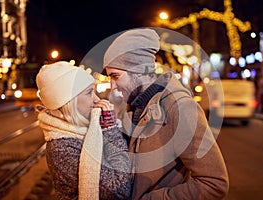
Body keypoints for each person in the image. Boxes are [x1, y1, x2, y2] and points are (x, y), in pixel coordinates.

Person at [102, 28, 229, 199]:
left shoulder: (179, 107)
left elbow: (214, 183)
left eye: (115, 76)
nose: (112, 86)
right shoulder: (134, 106)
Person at [35, 61, 132, 200]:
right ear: (69, 102)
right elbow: (119, 189)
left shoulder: (88, 130)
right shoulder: (62, 147)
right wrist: (110, 129)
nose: (96, 99)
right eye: (88, 93)